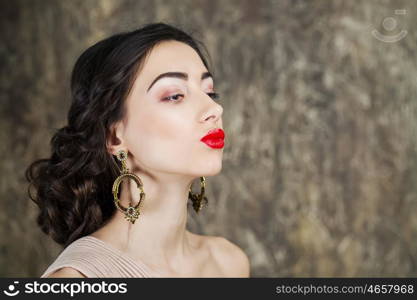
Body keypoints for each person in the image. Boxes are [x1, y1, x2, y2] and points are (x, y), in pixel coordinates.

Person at [26, 22, 250, 278]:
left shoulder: (228, 263)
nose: (214, 109)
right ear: (114, 136)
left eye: (211, 92)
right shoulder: (78, 279)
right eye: (175, 95)